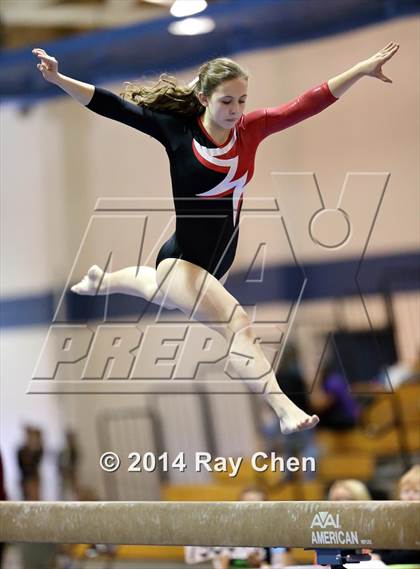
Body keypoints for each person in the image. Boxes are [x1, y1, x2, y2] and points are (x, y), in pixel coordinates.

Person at [32, 43, 399, 435]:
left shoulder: (251, 130)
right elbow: (112, 106)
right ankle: (283, 409)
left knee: (160, 291)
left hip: (215, 267)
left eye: (242, 100)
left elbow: (305, 103)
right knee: (237, 324)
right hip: (182, 259)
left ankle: (103, 281)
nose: (235, 109)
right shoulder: (177, 130)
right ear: (205, 98)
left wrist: (359, 69)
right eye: (226, 101)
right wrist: (57, 79)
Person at [374, 465, 420, 564]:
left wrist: (383, 558)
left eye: (416, 491)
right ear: (399, 494)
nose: (410, 496)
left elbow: (415, 554)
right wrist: (377, 555)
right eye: (406, 491)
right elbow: (383, 543)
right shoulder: (395, 518)